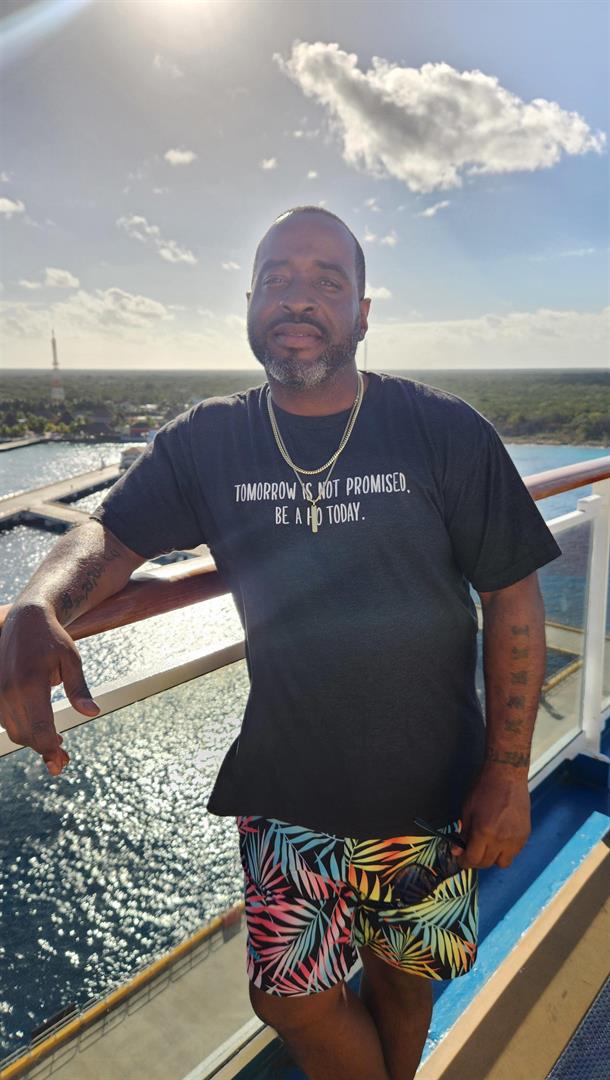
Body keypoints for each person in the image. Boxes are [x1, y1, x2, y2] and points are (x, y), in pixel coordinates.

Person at [0, 206, 561, 1080]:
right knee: (290, 999)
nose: (299, 299)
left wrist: (507, 770)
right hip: (287, 791)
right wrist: (35, 603)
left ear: (363, 314)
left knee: (407, 979)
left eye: (327, 282)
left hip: (433, 792)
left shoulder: (441, 430)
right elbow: (107, 537)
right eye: (278, 279)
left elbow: (512, 594)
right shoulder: (209, 441)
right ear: (250, 305)